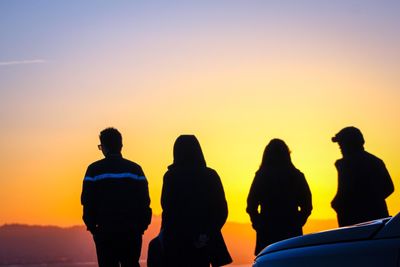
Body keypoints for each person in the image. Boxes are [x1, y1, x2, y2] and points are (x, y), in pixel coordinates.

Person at [81, 127, 152, 267]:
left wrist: (93, 228)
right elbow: (145, 202)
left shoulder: (93, 170)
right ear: (121, 146)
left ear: (104, 147)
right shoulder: (135, 170)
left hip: (105, 232)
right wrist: (141, 228)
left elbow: (87, 202)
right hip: (131, 233)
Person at [159, 135, 232, 267]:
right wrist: (207, 234)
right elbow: (221, 210)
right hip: (204, 243)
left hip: (176, 243)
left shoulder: (170, 176)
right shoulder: (211, 175)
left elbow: (167, 207)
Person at [246, 139, 312, 255]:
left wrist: (259, 224)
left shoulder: (262, 176)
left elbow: (251, 205)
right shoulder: (296, 176)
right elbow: (307, 206)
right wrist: (297, 222)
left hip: (267, 232)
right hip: (291, 232)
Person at [331, 126, 394, 227]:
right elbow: (389, 188)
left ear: (350, 144)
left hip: (354, 222)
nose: (341, 148)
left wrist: (361, 203)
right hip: (377, 221)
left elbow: (344, 193)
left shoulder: (346, 164)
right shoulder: (376, 161)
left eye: (342, 145)